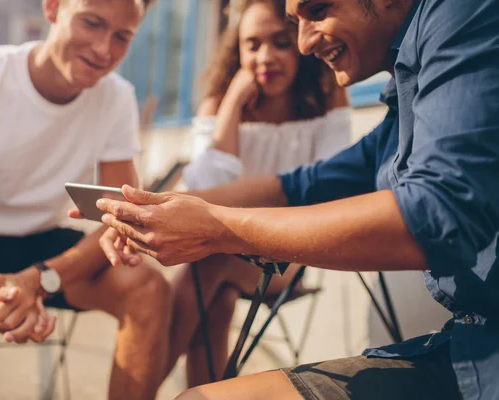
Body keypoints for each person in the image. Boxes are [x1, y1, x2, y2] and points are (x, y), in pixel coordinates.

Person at [93, 0, 499, 398]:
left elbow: (434, 216)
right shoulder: (404, 100)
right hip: (465, 345)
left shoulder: (465, 16)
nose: (304, 43)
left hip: (467, 350)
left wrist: (217, 228)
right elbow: (299, 184)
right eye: (255, 42)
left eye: (318, 10)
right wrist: (155, 207)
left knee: (209, 273)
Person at [0, 1, 171, 400]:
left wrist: (43, 279)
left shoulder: (116, 98)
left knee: (148, 288)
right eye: (92, 23)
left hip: (41, 245)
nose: (103, 49)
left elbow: (119, 221)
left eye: (122, 37)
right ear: (53, 8)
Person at [170, 0, 350, 387]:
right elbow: (202, 192)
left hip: (289, 254)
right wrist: (232, 105)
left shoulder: (326, 100)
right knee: (214, 301)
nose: (265, 57)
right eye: (252, 44)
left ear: (301, 45)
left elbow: (334, 189)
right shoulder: (218, 106)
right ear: (236, 50)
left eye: (280, 43)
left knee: (208, 267)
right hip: (220, 253)